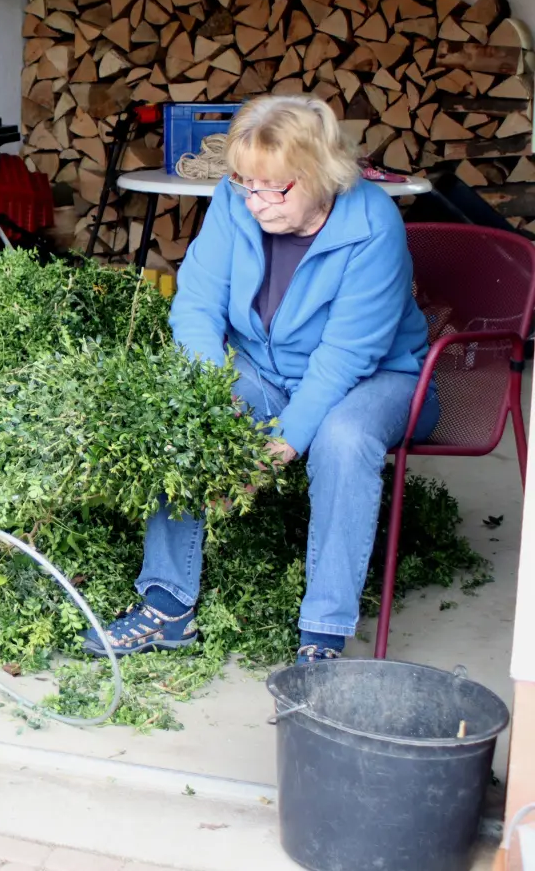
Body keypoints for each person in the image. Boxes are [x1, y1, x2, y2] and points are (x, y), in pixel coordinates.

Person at [82, 95, 439, 665]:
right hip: (266, 367)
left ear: (320, 174)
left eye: (274, 188)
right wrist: (210, 393)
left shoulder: (374, 224)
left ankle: (322, 635)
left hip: (377, 378)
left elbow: (345, 356)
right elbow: (197, 304)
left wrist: (285, 441)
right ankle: (167, 605)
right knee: (187, 416)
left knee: (343, 440)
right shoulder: (234, 201)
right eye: (246, 183)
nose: (256, 202)